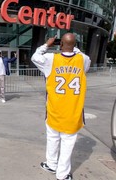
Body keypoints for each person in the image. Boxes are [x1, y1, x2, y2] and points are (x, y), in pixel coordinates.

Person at [31, 33, 91, 180]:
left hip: (54, 109)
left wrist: (47, 44)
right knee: (67, 144)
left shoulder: (51, 59)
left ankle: (51, 164)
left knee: (53, 138)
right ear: (75, 45)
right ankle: (62, 174)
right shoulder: (82, 59)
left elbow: (35, 57)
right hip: (73, 111)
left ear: (61, 44)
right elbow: (84, 58)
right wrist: (74, 48)